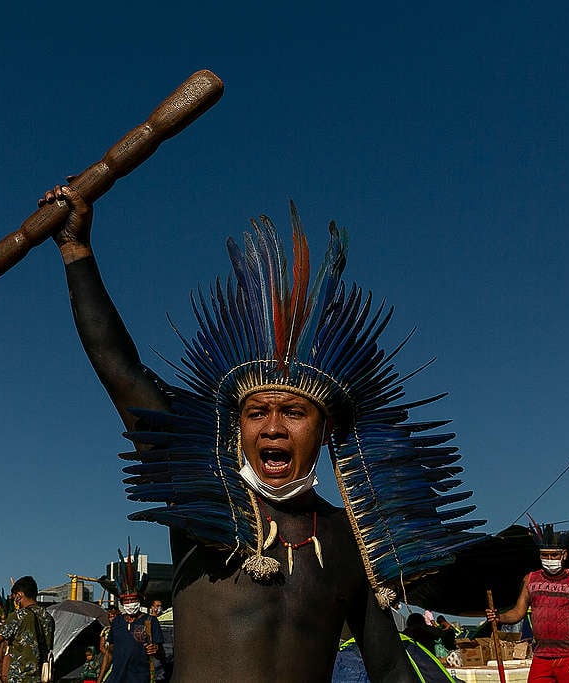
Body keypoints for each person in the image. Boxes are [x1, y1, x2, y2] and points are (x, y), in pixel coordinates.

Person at [41, 180, 481, 682]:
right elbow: (121, 369)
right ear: (239, 425)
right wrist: (77, 251)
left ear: (324, 428)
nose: (272, 428)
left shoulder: (347, 541)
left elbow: (391, 671)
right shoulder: (203, 506)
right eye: (257, 413)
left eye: (293, 413)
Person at [486, 526, 569, 683]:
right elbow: (518, 612)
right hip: (542, 655)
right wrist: (499, 617)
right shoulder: (530, 579)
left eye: (554, 555)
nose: (549, 559)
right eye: (544, 555)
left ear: (564, 555)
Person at [98, 545, 164, 683]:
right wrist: (100, 679)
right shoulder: (117, 622)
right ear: (122, 603)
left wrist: (155, 649)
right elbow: (109, 653)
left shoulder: (150, 621)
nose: (130, 604)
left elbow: (160, 652)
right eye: (126, 601)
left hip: (140, 679)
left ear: (139, 600)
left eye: (133, 600)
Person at [0, 577, 54, 683]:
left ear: (19, 595)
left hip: (20, 678)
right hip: (41, 677)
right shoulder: (48, 617)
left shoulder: (18, 616)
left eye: (14, 597)